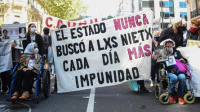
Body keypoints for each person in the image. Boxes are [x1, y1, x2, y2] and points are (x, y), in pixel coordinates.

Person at [153, 39, 187, 105]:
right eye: (167, 46)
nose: (169, 47)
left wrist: (182, 60)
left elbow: (184, 60)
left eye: (170, 45)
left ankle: (180, 95)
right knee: (174, 78)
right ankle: (170, 93)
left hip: (178, 70)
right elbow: (156, 65)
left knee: (182, 77)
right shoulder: (161, 53)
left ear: (173, 45)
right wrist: (155, 59)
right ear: (165, 46)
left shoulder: (176, 52)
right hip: (167, 71)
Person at [51, 23, 67, 94]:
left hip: (66, 57)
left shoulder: (69, 36)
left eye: (64, 27)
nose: (63, 29)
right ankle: (56, 87)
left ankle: (66, 87)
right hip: (58, 57)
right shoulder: (54, 36)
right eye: (62, 27)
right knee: (58, 73)